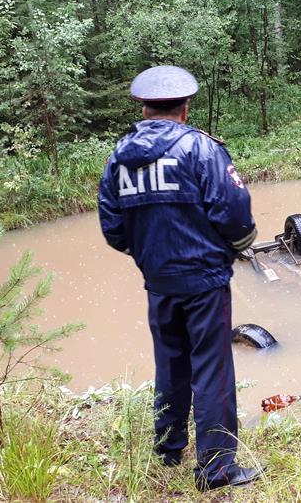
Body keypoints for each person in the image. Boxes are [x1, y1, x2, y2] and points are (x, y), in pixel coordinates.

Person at [98, 65, 262, 491]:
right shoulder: (201, 150)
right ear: (185, 108)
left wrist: (150, 256)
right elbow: (235, 215)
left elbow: (113, 229)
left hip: (158, 280)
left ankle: (169, 448)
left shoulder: (119, 157)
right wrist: (234, 247)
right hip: (205, 280)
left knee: (170, 363)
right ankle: (218, 468)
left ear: (144, 106)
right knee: (212, 367)